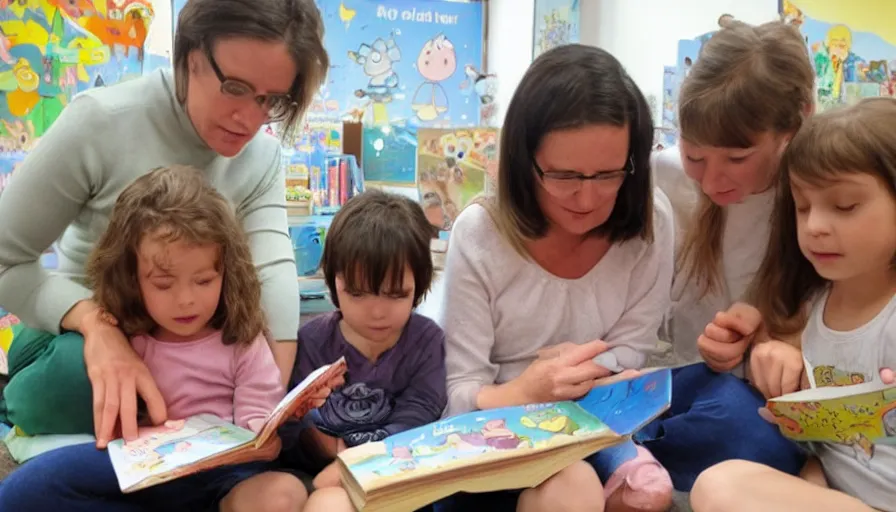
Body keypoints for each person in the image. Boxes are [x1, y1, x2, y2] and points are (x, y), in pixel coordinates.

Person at [0, 0, 328, 450]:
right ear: (190, 57)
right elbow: (5, 259)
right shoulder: (100, 121)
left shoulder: (263, 157)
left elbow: (272, 277)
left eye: (270, 100)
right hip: (69, 336)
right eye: (234, 87)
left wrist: (270, 408)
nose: (249, 120)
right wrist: (98, 326)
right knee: (88, 383)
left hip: (183, 342)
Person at [0, 166, 333, 511]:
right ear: (132, 279)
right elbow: (110, 433)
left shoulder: (243, 341)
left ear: (226, 273)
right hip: (145, 474)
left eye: (203, 281)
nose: (185, 299)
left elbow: (260, 437)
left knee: (284, 492)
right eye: (163, 284)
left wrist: (274, 431)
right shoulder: (128, 341)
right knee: (24, 489)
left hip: (227, 476)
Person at [433, 44, 674, 512]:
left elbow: (632, 348)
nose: (587, 198)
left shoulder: (651, 222)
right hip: (492, 436)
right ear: (525, 162)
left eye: (608, 174)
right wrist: (528, 390)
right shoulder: (480, 234)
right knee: (575, 485)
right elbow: (459, 393)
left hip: (599, 423)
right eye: (563, 175)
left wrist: (587, 373)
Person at [689, 97, 896, 512]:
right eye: (802, 208)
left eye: (845, 206)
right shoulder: (810, 306)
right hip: (836, 491)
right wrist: (751, 344)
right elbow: (827, 443)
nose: (816, 227)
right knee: (718, 484)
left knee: (721, 487)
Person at [644, 20, 815, 489]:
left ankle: (626, 461)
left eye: (737, 159)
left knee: (753, 437)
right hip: (674, 385)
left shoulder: (818, 202)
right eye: (695, 156)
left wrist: (779, 344)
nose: (713, 180)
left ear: (793, 126)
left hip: (757, 409)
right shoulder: (663, 176)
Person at [279, 190, 447, 511]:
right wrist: (316, 440)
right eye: (357, 294)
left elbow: (418, 416)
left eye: (396, 295)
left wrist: (352, 463)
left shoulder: (428, 342)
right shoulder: (311, 341)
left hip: (400, 475)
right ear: (333, 283)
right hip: (323, 477)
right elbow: (290, 420)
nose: (377, 312)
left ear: (420, 286)